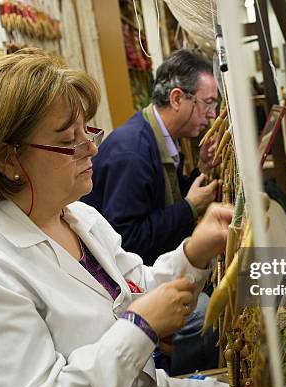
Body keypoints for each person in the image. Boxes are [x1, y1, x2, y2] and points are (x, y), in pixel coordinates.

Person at [0, 49, 231, 387]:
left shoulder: (76, 216)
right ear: (8, 158)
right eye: (69, 142)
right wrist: (140, 328)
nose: (93, 148)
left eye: (88, 131)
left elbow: (132, 287)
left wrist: (194, 252)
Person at [82, 49, 221, 266]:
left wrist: (201, 169)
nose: (212, 114)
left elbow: (158, 198)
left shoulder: (158, 134)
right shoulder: (133, 152)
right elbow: (128, 241)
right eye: (208, 103)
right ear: (176, 98)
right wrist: (189, 208)